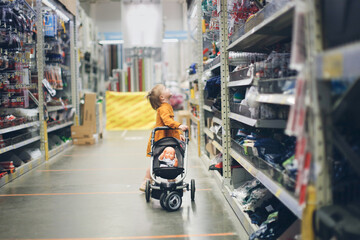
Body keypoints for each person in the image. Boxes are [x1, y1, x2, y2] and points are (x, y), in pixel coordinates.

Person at [139, 84, 188, 191]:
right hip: (162, 139)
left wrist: (178, 134)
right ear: (162, 97)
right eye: (165, 89)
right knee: (158, 159)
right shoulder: (164, 108)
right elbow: (167, 122)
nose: (168, 89)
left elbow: (169, 127)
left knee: (166, 159)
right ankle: (146, 180)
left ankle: (171, 182)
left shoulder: (166, 106)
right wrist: (179, 125)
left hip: (167, 138)